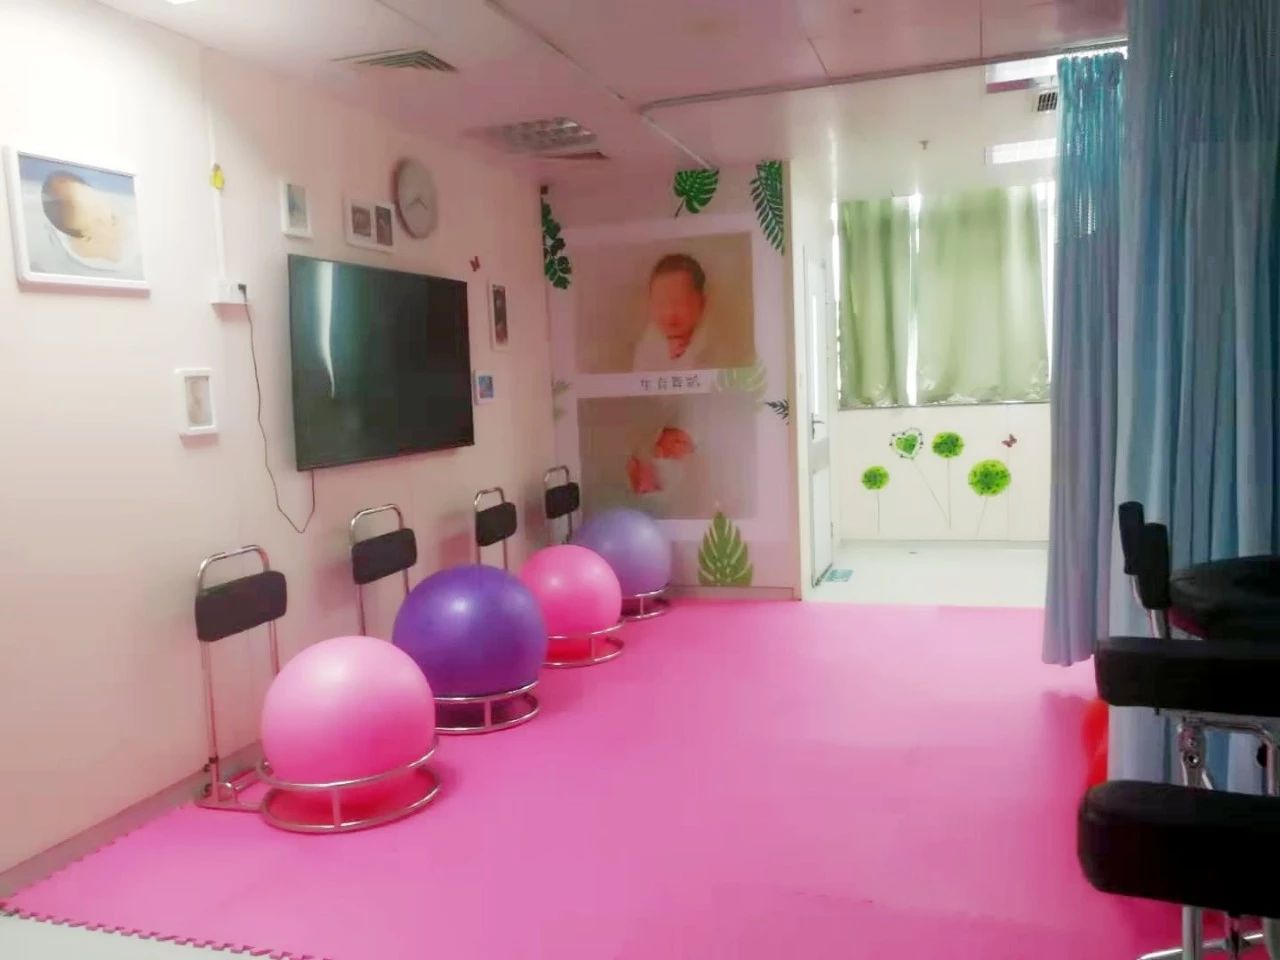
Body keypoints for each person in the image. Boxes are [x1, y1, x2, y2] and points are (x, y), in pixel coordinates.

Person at [632, 253, 716, 371]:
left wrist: (685, 355)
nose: (670, 313)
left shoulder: (711, 341)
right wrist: (666, 356)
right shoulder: (649, 343)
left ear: (701, 304)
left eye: (680, 303)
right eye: (661, 304)